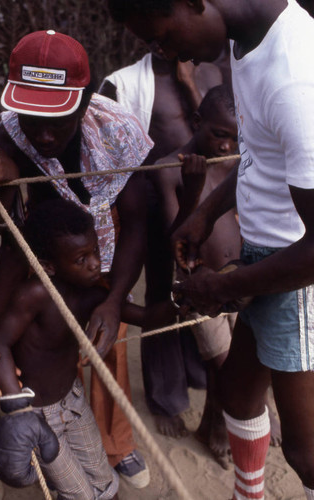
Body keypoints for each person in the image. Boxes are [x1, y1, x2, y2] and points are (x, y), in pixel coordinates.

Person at [107, 0, 314, 498]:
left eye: (159, 35)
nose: (163, 51)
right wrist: (205, 213)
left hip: (296, 273)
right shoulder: (246, 43)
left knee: (307, 453)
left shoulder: (294, 79)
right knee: (240, 396)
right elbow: (259, 161)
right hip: (263, 255)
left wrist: (223, 286)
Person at [0, 30, 152, 488]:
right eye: (32, 118)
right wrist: (8, 180)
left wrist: (114, 300)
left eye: (57, 118)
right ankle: (30, 435)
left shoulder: (117, 131)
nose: (43, 133)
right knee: (21, 346)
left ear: (84, 101)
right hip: (33, 262)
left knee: (105, 343)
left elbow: (135, 222)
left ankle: (117, 446)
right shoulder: (5, 139)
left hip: (94, 253)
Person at [0, 198, 152, 499]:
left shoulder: (92, 294)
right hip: (38, 416)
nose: (94, 264)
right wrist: (18, 409)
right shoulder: (34, 295)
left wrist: (186, 302)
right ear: (49, 265)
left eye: (95, 252)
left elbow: (147, 317)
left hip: (74, 403)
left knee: (105, 484)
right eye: (81, 259)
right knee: (79, 495)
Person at [100, 49, 222, 438]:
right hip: (156, 197)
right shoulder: (125, 82)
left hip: (216, 193)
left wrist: (188, 83)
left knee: (206, 282)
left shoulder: (214, 74)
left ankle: (199, 368)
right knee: (161, 291)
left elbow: (218, 126)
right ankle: (166, 395)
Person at [149, 84, 240, 467]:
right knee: (225, 365)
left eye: (235, 137)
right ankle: (220, 425)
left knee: (244, 357)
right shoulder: (169, 167)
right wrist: (195, 187)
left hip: (240, 277)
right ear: (198, 121)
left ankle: (213, 421)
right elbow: (177, 239)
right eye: (220, 134)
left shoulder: (234, 160)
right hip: (199, 281)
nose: (225, 145)